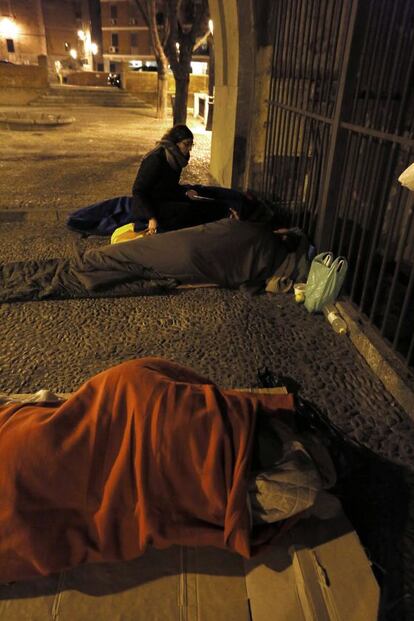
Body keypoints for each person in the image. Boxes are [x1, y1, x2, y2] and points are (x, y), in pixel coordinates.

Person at [0, 357, 337, 583]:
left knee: (162, 473)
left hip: (144, 435)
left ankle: (259, 457)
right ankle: (253, 443)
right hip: (132, 397)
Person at [0, 218, 310, 303]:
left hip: (185, 243)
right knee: (132, 265)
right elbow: (246, 285)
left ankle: (90, 263)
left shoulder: (254, 229)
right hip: (190, 262)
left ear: (282, 233)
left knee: (119, 257)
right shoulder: (268, 260)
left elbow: (219, 228)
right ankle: (90, 264)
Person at [66, 124, 270, 236]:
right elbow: (139, 191)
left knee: (199, 192)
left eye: (191, 145)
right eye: (186, 144)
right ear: (175, 143)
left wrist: (184, 192)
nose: (189, 149)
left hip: (165, 197)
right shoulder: (156, 159)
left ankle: (239, 202)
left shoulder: (175, 159)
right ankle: (226, 212)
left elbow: (169, 186)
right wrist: (152, 218)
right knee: (187, 211)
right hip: (150, 205)